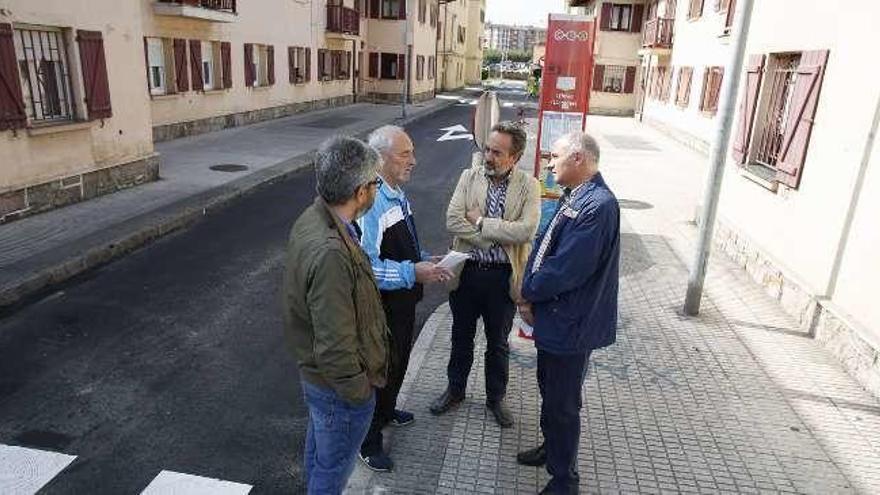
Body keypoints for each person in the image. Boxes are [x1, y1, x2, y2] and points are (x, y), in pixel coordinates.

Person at [282, 136, 389, 495]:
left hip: (320, 381)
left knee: (320, 457)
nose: (377, 189)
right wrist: (359, 393)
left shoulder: (316, 218)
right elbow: (335, 346)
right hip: (338, 390)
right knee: (333, 471)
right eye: (376, 183)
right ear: (361, 192)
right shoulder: (331, 252)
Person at [516, 132, 620, 494]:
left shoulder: (598, 205)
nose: (548, 163)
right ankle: (553, 449)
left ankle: (564, 480)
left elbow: (566, 268)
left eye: (554, 156)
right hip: (557, 320)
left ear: (578, 158)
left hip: (571, 325)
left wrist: (527, 292)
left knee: (563, 403)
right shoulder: (577, 196)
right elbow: (547, 248)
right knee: (551, 392)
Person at [430, 121, 541, 428]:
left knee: (498, 343)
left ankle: (496, 398)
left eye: (497, 152)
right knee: (460, 338)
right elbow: (453, 219)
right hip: (467, 273)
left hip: (502, 278)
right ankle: (455, 391)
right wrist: (492, 235)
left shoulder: (529, 186)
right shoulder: (469, 176)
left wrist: (480, 222)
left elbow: (526, 230)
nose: (488, 157)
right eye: (487, 149)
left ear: (514, 157)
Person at [356, 125, 450, 472]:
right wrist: (414, 272)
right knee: (378, 372)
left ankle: (388, 408)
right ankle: (368, 440)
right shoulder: (372, 202)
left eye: (412, 151)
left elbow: (404, 246)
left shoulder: (395, 191)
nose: (414, 160)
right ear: (380, 159)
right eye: (405, 154)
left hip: (403, 303)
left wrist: (428, 258)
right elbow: (367, 267)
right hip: (382, 308)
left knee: (398, 364)